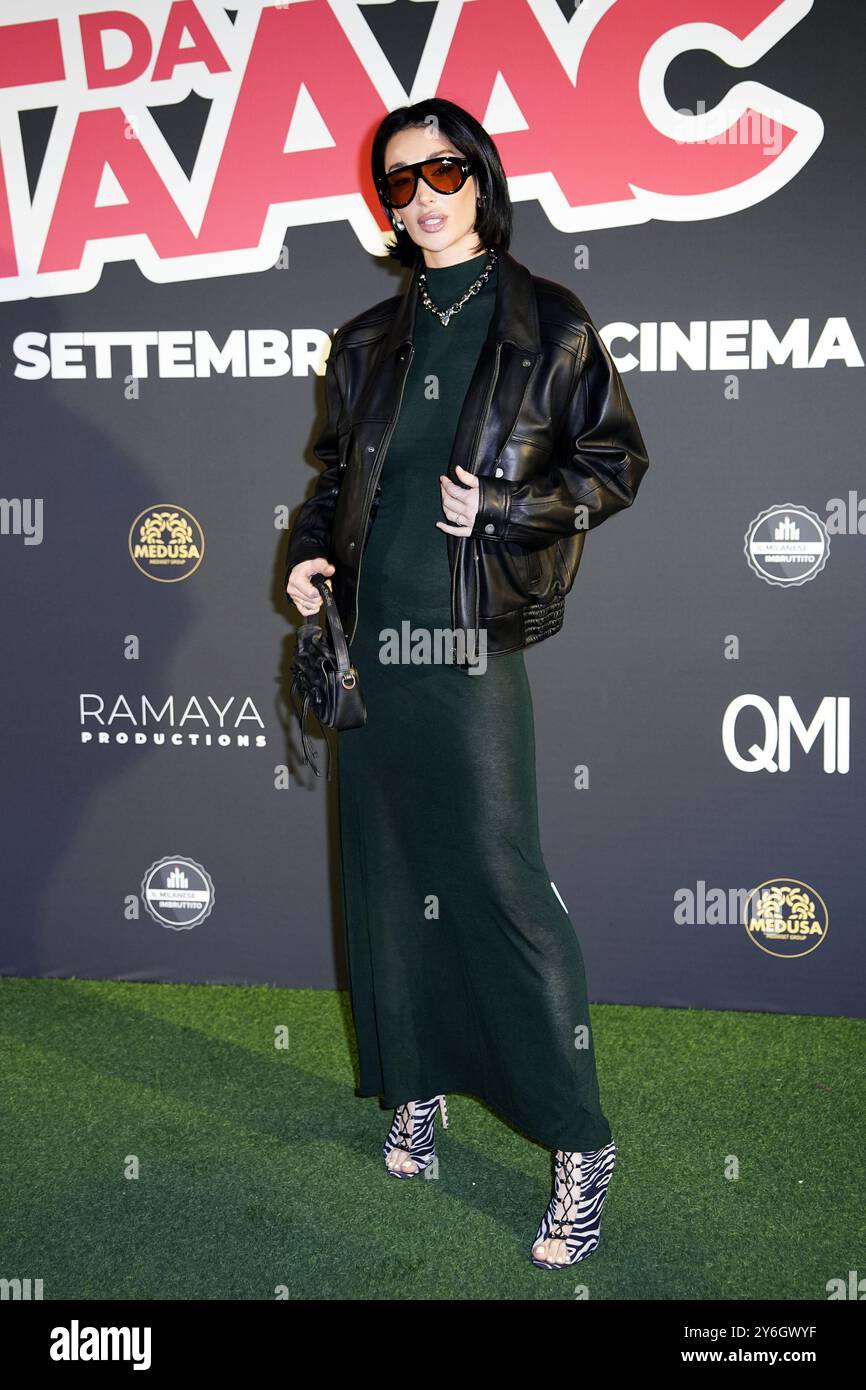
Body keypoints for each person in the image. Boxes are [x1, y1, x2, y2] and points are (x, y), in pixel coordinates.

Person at [285, 98, 649, 1269]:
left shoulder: (549, 323)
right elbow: (332, 476)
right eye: (400, 180)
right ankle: (417, 1090)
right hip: (368, 644)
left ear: (480, 179)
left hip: (466, 641)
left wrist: (500, 508)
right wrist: (303, 558)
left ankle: (577, 1144)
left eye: (444, 169)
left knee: (498, 885)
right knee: (385, 882)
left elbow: (614, 463)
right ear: (382, 203)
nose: (424, 193)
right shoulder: (363, 339)